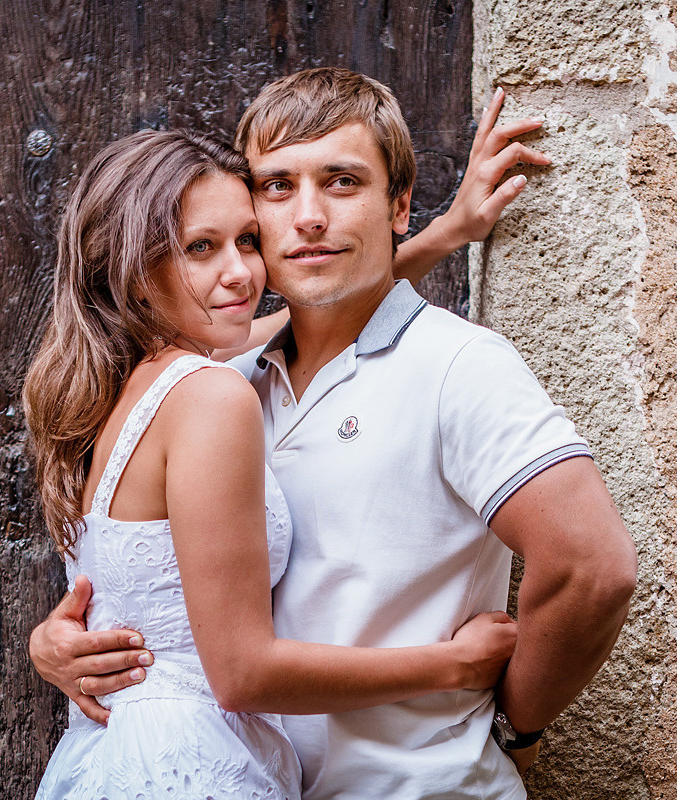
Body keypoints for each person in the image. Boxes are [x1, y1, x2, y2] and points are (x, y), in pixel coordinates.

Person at [32, 68, 638, 799]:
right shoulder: (231, 374)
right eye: (277, 188)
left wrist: (517, 725)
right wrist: (66, 641)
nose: (308, 217)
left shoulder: (458, 366)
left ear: (398, 204)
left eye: (343, 182)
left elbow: (592, 568)